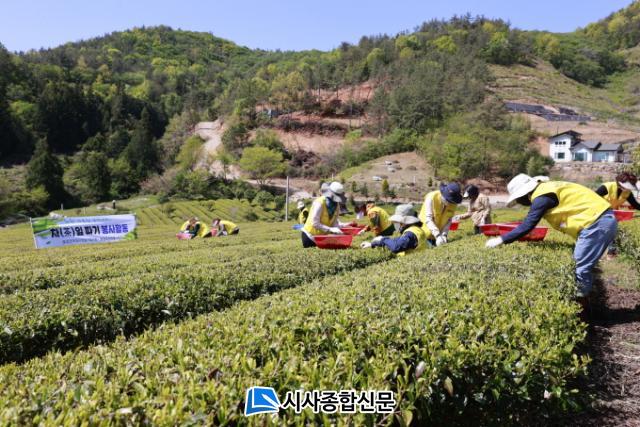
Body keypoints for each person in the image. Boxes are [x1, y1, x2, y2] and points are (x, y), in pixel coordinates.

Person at [485, 174, 617, 308]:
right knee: (582, 266)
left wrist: (501, 239)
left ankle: (581, 309)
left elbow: (527, 225)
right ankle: (587, 302)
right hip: (600, 220)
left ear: (524, 194)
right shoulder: (546, 189)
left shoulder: (541, 197)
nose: (520, 203)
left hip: (596, 223)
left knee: (580, 269)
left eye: (519, 200)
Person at [595, 172, 640, 258]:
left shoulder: (627, 192)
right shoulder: (607, 187)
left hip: (611, 215)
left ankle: (611, 253)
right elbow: (592, 199)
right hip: (597, 213)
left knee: (612, 231)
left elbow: (635, 205)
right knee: (599, 233)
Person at [360, 204, 427, 255]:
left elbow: (396, 247)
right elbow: (396, 241)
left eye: (399, 222)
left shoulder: (410, 233)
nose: (398, 224)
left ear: (405, 221)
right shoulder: (416, 229)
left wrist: (382, 239)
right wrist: (373, 244)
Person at [301, 181, 349, 248]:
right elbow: (315, 223)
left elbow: (334, 223)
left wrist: (343, 230)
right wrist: (330, 229)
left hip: (322, 237)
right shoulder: (319, 203)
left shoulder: (337, 206)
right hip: (310, 236)